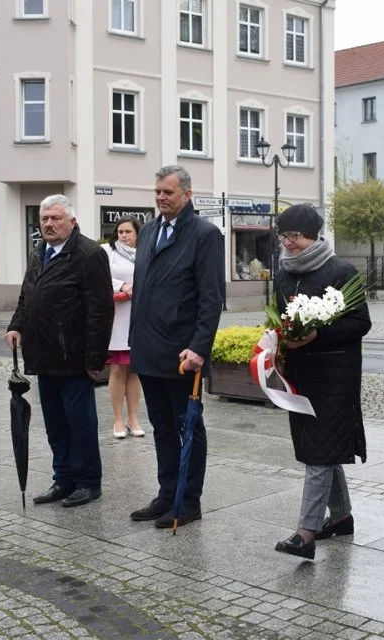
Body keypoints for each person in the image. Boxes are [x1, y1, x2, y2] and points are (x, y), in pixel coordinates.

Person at [270, 204, 371, 560]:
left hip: (334, 376)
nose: (288, 243)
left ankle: (306, 533)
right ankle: (341, 517)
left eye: (294, 236)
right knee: (321, 449)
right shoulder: (282, 273)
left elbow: (360, 323)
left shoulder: (340, 270)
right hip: (299, 376)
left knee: (319, 451)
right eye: (283, 236)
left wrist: (317, 334)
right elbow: (279, 317)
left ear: (313, 235)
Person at [128, 165, 224, 529]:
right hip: (149, 348)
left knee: (188, 427)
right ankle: (167, 493)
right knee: (161, 426)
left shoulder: (205, 235)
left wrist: (199, 347)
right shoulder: (149, 230)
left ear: (187, 194)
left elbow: (211, 298)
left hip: (183, 354)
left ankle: (188, 500)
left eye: (168, 192)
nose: (161, 198)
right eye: (157, 192)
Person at [5, 194, 114, 508]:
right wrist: (16, 326)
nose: (49, 224)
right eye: (45, 219)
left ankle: (88, 482)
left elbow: (101, 310)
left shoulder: (89, 254)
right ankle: (63, 479)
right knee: (55, 424)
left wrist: (95, 358)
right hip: (43, 356)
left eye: (56, 218)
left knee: (80, 424)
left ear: (72, 222)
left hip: (74, 358)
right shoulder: (39, 252)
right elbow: (27, 296)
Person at [102, 217, 145, 439]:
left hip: (139, 317)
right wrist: (123, 286)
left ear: (138, 233)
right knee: (118, 369)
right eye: (120, 231)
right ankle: (118, 419)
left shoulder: (145, 253)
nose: (124, 235)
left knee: (135, 369)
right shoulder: (107, 252)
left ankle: (133, 417)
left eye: (128, 231)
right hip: (117, 318)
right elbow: (99, 277)